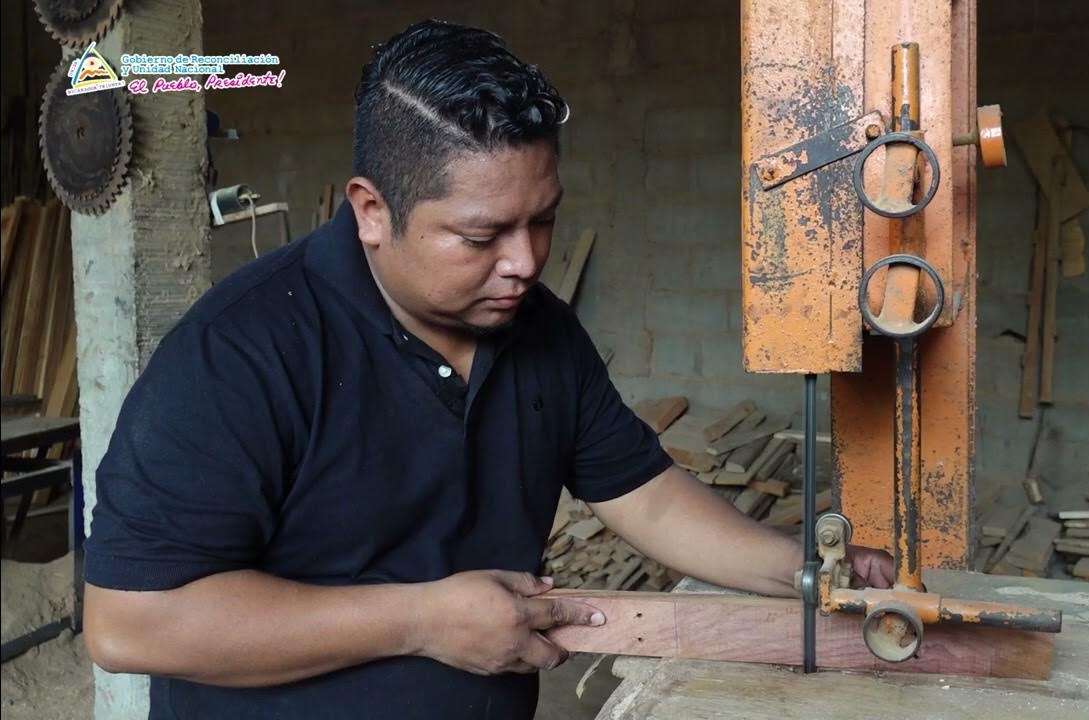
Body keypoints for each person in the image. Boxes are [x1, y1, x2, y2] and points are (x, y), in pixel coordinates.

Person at [82, 19, 894, 719]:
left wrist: (797, 568)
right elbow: (128, 624)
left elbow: (642, 496)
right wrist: (420, 622)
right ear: (373, 212)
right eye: (480, 237)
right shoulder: (241, 352)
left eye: (544, 220)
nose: (526, 261)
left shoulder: (540, 332)